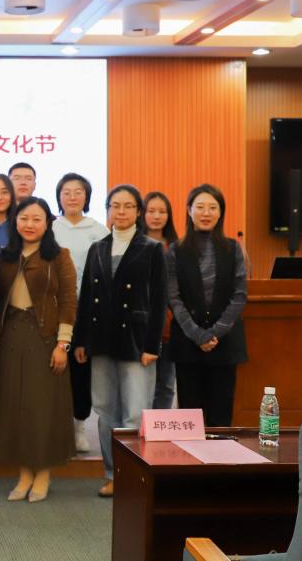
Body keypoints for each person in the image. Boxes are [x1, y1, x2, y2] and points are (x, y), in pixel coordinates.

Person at [75, 185, 167, 498]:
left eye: (128, 206)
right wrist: (81, 340)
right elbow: (87, 297)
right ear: (108, 209)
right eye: (116, 205)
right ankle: (112, 473)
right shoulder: (98, 248)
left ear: (138, 212)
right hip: (101, 341)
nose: (122, 211)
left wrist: (152, 346)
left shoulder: (152, 249)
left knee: (135, 413)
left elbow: (159, 300)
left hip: (137, 343)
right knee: (105, 412)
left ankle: (135, 476)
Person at [0, 197, 77, 503]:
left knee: (42, 408)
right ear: (15, 221)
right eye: (24, 218)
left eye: (37, 219)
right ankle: (24, 473)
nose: (29, 224)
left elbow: (68, 301)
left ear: (47, 223)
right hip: (11, 336)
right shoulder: (4, 256)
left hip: (45, 338)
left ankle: (43, 473)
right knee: (13, 406)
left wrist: (62, 344)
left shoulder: (59, 256)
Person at [166, 184, 247, 427]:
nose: (206, 213)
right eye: (200, 207)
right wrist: (197, 334)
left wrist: (214, 333)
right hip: (188, 345)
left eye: (213, 207)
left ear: (220, 213)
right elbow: (174, 298)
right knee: (191, 421)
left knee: (221, 419)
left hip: (225, 344)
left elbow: (239, 295)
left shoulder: (233, 248)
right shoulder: (175, 250)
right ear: (189, 210)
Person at [51, 173, 109, 454]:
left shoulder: (99, 230)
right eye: (66, 192)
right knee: (53, 370)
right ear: (58, 197)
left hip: (87, 312)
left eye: (78, 192)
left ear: (87, 197)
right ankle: (55, 428)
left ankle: (78, 427)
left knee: (81, 370)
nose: (72, 197)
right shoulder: (50, 228)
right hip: (54, 311)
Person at [141, 191, 180, 410]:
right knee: (141, 385)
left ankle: (159, 425)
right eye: (151, 211)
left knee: (165, 384)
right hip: (141, 325)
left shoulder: (176, 246)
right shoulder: (134, 244)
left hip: (169, 326)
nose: (157, 216)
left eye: (162, 211)